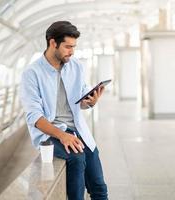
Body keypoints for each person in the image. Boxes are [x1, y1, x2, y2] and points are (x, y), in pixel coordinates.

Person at [19, 21, 108, 200]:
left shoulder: (76, 66)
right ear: (53, 43)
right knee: (76, 158)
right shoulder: (32, 73)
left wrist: (90, 101)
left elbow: (81, 99)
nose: (72, 51)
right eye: (68, 47)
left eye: (74, 47)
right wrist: (62, 135)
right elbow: (34, 116)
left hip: (79, 130)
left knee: (99, 187)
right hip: (51, 132)